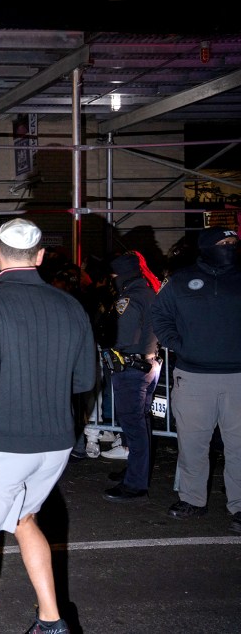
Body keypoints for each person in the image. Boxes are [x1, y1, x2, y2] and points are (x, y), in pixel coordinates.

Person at [0, 219, 95, 634]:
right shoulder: (70, 304)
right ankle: (52, 622)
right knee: (25, 519)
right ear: (40, 257)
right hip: (54, 443)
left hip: (2, 443)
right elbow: (85, 380)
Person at [151, 227, 240, 533]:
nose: (228, 247)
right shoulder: (180, 280)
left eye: (233, 243)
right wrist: (179, 344)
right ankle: (192, 500)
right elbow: (159, 315)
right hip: (193, 376)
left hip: (238, 378)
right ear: (205, 246)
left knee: (239, 446)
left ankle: (240, 506)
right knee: (192, 444)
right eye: (222, 243)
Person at [100, 252, 162, 501]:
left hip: (130, 369)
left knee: (133, 427)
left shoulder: (129, 298)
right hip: (148, 365)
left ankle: (135, 484)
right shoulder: (148, 291)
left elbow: (122, 337)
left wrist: (103, 335)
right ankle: (136, 471)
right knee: (141, 423)